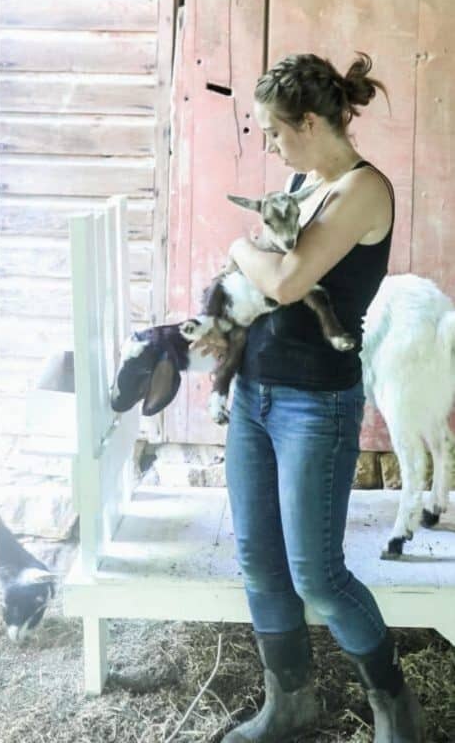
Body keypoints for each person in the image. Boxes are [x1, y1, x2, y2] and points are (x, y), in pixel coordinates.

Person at [195, 53, 425, 743]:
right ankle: (289, 703)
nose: (267, 144)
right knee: (259, 563)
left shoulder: (361, 190)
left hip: (313, 406)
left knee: (317, 577)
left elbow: (288, 283)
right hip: (257, 393)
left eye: (273, 129)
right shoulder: (303, 180)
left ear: (311, 121)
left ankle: (392, 703)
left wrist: (240, 248)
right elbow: (274, 282)